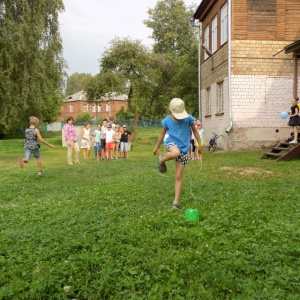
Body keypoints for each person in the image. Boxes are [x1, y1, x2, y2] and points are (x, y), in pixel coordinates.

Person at [153, 98, 201, 209]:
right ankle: (161, 160)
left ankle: (175, 203)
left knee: (178, 176)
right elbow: (161, 135)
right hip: (172, 143)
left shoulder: (188, 118)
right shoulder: (167, 121)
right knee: (175, 152)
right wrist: (156, 147)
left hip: (184, 147)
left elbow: (195, 131)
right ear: (171, 111)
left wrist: (199, 144)